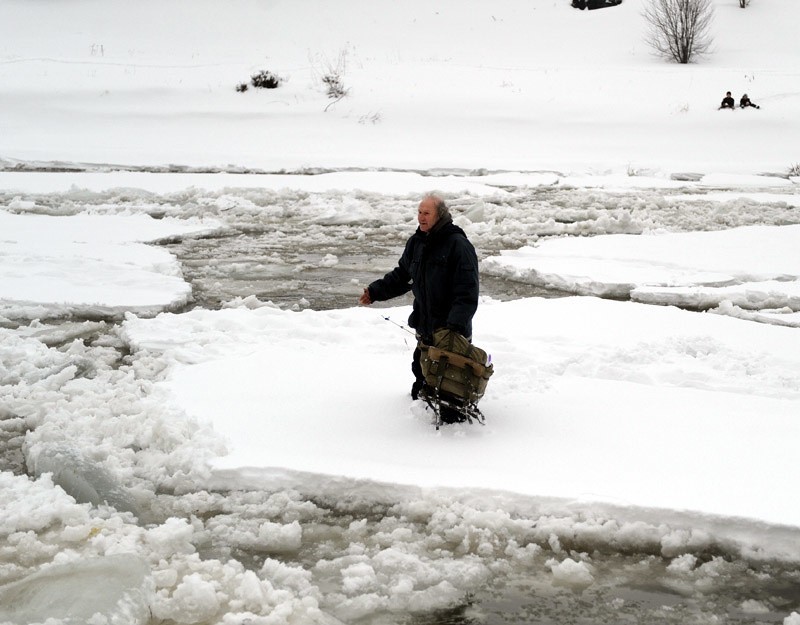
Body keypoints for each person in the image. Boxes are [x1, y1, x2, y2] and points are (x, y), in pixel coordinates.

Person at [359, 192, 480, 408]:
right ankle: (420, 415)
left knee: (450, 390)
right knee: (421, 376)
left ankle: (454, 432)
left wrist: (454, 327)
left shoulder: (458, 245)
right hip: (426, 327)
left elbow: (467, 292)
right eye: (419, 212)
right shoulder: (417, 243)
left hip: (451, 332)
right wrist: (375, 292)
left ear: (440, 215)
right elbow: (401, 277)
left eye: (427, 213)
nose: (421, 217)